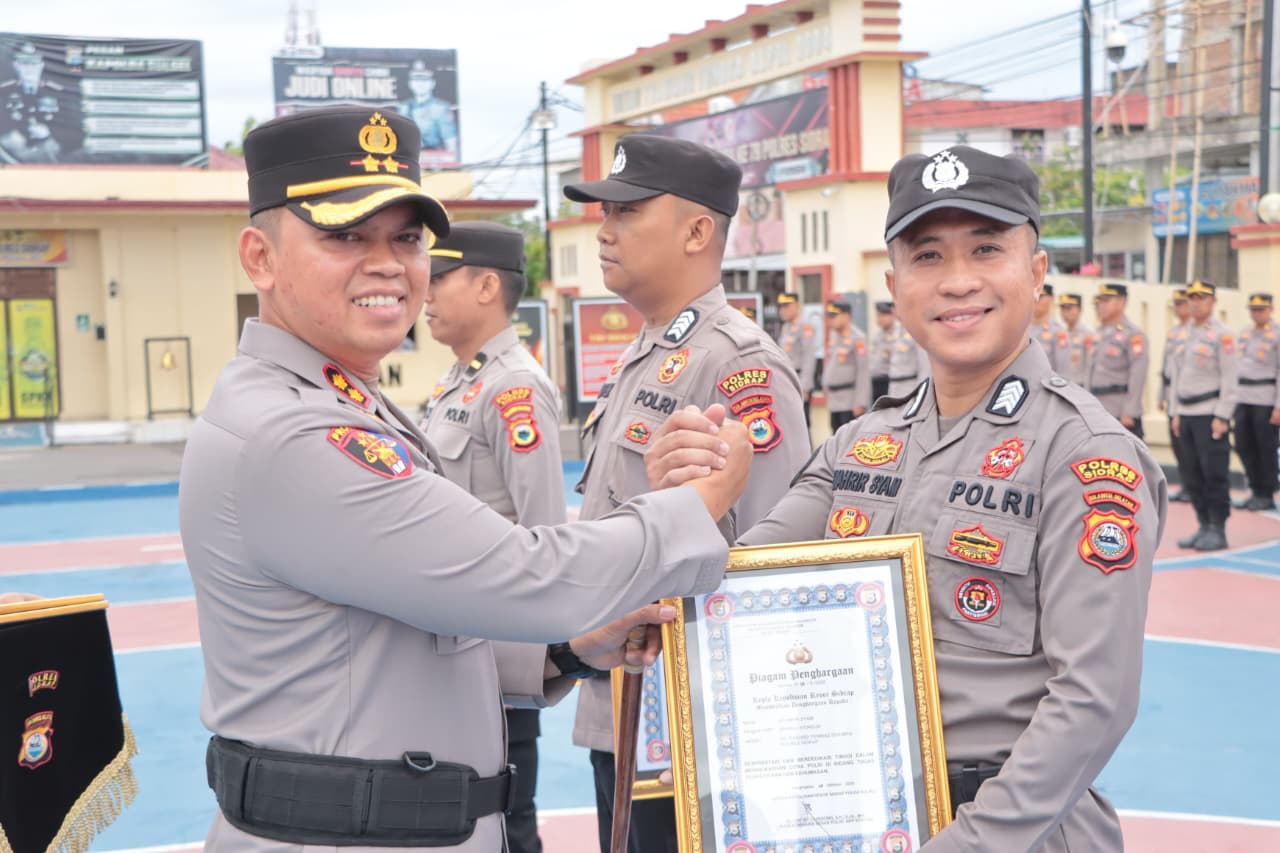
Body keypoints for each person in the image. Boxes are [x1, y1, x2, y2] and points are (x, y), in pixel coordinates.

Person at [179, 107, 753, 852]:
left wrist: (569, 648)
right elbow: (530, 572)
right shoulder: (294, 432)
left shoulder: (330, 397)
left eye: (407, 239)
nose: (386, 262)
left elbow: (398, 624)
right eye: (345, 234)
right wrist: (697, 504)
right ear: (260, 257)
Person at [648, 145, 1166, 852]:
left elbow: (1094, 701)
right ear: (894, 285)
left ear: (1036, 272)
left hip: (1013, 829)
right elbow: (737, 581)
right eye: (928, 256)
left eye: (986, 249)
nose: (958, 281)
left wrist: (964, 843)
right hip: (855, 815)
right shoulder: (860, 442)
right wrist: (695, 495)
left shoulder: (1085, 454)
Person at [562, 133, 811, 853]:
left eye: (628, 212)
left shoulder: (737, 366)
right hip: (620, 706)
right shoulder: (649, 355)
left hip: (692, 730)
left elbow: (777, 556)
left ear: (698, 231)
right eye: (603, 213)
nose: (604, 231)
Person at [419, 220, 563, 853]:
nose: (424, 290)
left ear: (484, 287)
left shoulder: (513, 388)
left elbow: (543, 536)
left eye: (439, 277)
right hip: (447, 640)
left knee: (505, 825)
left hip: (495, 656)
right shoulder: (459, 381)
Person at [1169, 279, 1238, 550]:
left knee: (1214, 474)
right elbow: (1175, 376)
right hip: (1185, 413)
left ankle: (1217, 528)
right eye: (1192, 297)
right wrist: (1175, 412)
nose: (1195, 302)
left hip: (1209, 414)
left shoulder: (1222, 335)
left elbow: (1231, 379)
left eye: (1201, 297)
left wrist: (1223, 416)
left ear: (1212, 302)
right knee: (1191, 473)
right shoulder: (1183, 333)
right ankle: (1203, 524)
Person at [1231, 292, 1279, 511]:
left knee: (1264, 447)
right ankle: (1255, 489)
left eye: (1261, 309)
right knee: (1243, 444)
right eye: (1253, 309)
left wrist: (1278, 405)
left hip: (1265, 397)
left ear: (1270, 310)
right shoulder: (1245, 334)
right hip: (1243, 396)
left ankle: (1266, 493)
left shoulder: (1277, 335)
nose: (1256, 313)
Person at [1087, 283, 1149, 438]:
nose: (1101, 306)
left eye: (1106, 300)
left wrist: (1130, 411)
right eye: (1099, 301)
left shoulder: (1133, 334)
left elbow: (1138, 374)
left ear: (1122, 302)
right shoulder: (1098, 334)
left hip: (1119, 410)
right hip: (1097, 410)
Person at [1160, 288, 1192, 502]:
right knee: (1178, 444)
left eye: (1182, 303)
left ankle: (1192, 487)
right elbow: (1166, 368)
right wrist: (1161, 394)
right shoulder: (1173, 332)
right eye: (1177, 304)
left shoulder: (1195, 331)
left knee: (1190, 447)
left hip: (1188, 398)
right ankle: (1185, 483)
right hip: (1172, 395)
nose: (1179, 308)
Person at [822, 298, 870, 431]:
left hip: (849, 401)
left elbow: (863, 371)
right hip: (834, 401)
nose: (831, 320)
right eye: (829, 316)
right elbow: (831, 362)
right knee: (835, 438)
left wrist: (860, 402)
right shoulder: (834, 336)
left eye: (834, 316)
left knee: (848, 441)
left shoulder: (858, 338)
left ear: (846, 316)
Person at [775, 291, 817, 425]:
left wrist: (805, 387)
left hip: (799, 379)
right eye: (781, 306)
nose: (783, 310)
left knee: (802, 423)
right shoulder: (786, 327)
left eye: (787, 306)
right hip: (787, 380)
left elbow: (809, 357)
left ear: (797, 306)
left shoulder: (805, 326)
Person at [1056, 292, 1093, 386]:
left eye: (1069, 308)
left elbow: (1090, 365)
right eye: (1063, 309)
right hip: (1062, 384)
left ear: (1080, 310)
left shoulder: (1087, 334)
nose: (1065, 312)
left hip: (1080, 385)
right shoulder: (1060, 333)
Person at [1030, 281, 1064, 370]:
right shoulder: (1022, 330)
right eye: (1033, 296)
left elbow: (1062, 370)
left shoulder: (1058, 332)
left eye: (1040, 296)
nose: (1036, 300)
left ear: (1051, 299)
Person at [869, 300, 895, 402]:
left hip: (888, 381)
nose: (880, 319)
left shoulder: (896, 336)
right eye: (878, 315)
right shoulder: (878, 336)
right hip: (875, 382)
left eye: (884, 315)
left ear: (892, 316)